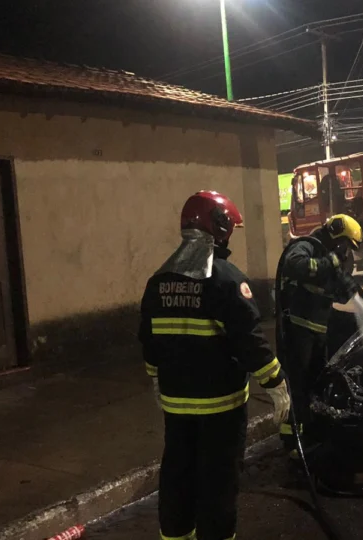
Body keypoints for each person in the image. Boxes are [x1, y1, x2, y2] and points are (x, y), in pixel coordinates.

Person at [139, 191, 291, 540]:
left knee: (178, 473)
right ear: (220, 228)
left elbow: (148, 340)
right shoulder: (226, 280)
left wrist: (155, 378)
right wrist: (276, 381)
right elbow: (248, 340)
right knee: (218, 480)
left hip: (176, 403)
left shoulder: (157, 282)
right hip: (220, 405)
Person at [274, 214, 362, 452]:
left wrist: (347, 286)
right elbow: (298, 266)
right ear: (335, 234)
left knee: (315, 384)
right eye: (345, 244)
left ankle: (311, 433)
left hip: (317, 331)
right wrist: (331, 261)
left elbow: (337, 291)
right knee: (297, 385)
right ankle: (292, 439)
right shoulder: (306, 247)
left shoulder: (332, 258)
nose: (346, 251)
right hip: (296, 329)